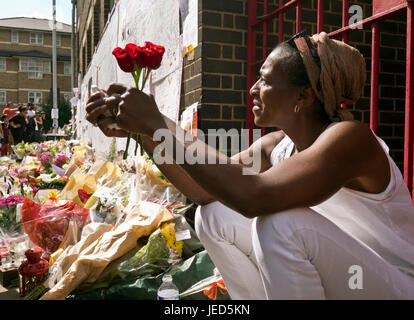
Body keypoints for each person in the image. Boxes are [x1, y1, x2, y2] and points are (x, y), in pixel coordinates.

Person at [85, 31, 414, 299]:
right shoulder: (276, 147)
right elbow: (204, 188)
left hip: (391, 287)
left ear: (302, 97)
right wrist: (146, 131)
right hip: (342, 278)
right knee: (214, 215)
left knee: (280, 224)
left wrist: (156, 124)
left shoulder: (350, 139)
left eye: (266, 81)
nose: (253, 90)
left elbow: (253, 196)